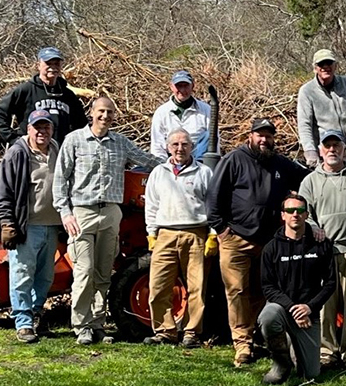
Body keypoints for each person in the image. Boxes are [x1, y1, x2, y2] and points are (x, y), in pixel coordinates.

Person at [53, 96, 161, 345]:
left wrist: (178, 163)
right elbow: (60, 180)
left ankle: (98, 325)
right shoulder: (74, 140)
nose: (105, 116)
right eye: (101, 111)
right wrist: (65, 212)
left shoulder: (120, 143)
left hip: (111, 213)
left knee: (103, 273)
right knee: (84, 270)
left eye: (110, 112)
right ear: (92, 113)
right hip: (82, 212)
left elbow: (147, 160)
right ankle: (81, 326)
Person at [206, 118, 309, 366]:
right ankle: (242, 345)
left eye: (269, 136)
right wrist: (221, 230)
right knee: (237, 292)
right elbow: (213, 195)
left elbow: (308, 180)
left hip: (269, 242)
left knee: (263, 292)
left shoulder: (281, 163)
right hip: (236, 239)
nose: (264, 140)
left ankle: (256, 336)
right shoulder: (233, 160)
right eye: (259, 135)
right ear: (249, 136)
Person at [298, 129, 346, 370]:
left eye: (336, 146)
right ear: (320, 150)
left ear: (344, 149)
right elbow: (303, 213)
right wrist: (313, 227)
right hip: (323, 254)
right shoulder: (310, 180)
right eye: (327, 146)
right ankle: (326, 354)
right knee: (325, 308)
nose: (332, 150)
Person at [143, 128, 217, 348]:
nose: (179, 148)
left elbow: (213, 207)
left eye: (184, 144)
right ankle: (165, 331)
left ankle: (191, 333)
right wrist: (151, 233)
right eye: (175, 144)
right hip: (165, 234)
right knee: (158, 286)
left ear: (192, 147)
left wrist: (212, 234)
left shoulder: (204, 173)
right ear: (167, 147)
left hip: (196, 234)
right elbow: (152, 205)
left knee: (196, 288)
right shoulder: (158, 172)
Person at [259, 193, 336, 384]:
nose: (295, 214)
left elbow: (330, 283)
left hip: (309, 315)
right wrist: (293, 308)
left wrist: (309, 308)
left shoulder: (321, 245)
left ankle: (297, 346)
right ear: (283, 215)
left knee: (310, 375)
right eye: (290, 211)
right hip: (283, 309)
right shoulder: (271, 248)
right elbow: (268, 287)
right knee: (268, 317)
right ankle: (281, 363)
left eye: (300, 211)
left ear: (307, 214)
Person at [0, 110, 61, 343]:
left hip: (53, 224)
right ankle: (23, 323)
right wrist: (7, 222)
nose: (42, 132)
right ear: (28, 129)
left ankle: (36, 314)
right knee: (22, 274)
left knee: (45, 276)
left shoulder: (56, 149)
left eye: (46, 127)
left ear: (52, 130)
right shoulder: (17, 153)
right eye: (37, 127)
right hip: (28, 225)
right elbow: (4, 191)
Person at [0, 47, 87, 146]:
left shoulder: (68, 95)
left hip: (60, 152)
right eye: (48, 63)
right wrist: (14, 140)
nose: (53, 67)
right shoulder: (25, 90)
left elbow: (81, 124)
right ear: (38, 65)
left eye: (56, 64)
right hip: (32, 153)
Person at [150, 70, 214, 161]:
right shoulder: (161, 112)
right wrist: (163, 167)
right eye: (179, 86)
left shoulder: (206, 110)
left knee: (209, 135)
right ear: (171, 86)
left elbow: (215, 142)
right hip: (171, 158)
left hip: (198, 158)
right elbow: (157, 146)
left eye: (186, 86)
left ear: (193, 85)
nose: (183, 90)